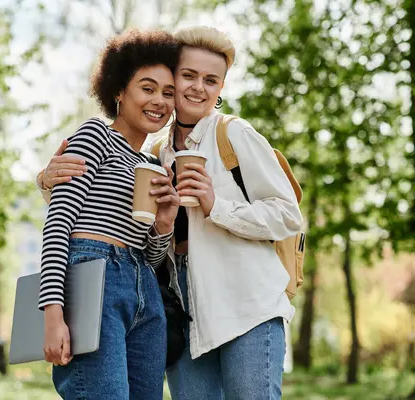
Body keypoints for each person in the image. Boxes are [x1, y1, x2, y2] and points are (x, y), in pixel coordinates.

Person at [38, 26, 303, 400]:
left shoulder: (228, 135)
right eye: (187, 76)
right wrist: (46, 179)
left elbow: (289, 216)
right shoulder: (147, 151)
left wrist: (197, 213)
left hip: (234, 305)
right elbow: (69, 218)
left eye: (211, 80)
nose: (196, 88)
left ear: (221, 88)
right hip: (172, 308)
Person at [38, 29, 181, 400]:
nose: (159, 101)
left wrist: (164, 225)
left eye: (168, 93)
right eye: (147, 88)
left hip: (144, 289)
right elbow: (58, 227)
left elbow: (148, 255)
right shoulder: (94, 135)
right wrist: (52, 315)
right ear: (119, 91)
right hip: (92, 277)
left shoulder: (152, 165)